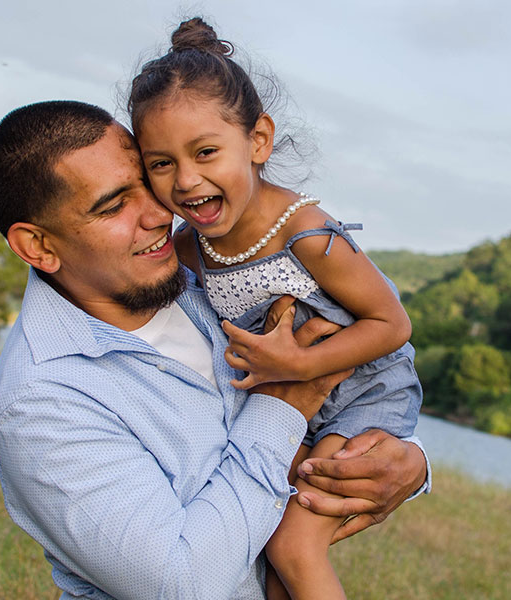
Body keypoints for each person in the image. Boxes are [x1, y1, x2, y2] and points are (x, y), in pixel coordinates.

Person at [0, 100, 429, 600]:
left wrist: (408, 462)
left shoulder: (206, 277)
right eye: (112, 206)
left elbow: (367, 348)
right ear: (39, 246)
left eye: (147, 183)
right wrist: (282, 404)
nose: (157, 215)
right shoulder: (42, 401)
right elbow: (184, 584)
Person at [128, 18, 423, 600]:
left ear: (258, 141)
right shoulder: (188, 248)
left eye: (206, 152)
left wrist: (298, 367)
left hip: (360, 393)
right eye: (161, 163)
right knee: (265, 547)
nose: (187, 181)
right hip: (285, 406)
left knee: (293, 545)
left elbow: (393, 325)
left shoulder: (305, 232)